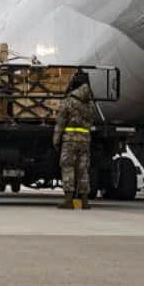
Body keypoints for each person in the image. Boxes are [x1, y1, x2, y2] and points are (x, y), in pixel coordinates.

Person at [53, 70, 95, 209]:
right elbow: (91, 121)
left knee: (68, 168)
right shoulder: (90, 104)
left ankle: (69, 200)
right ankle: (84, 201)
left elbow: (60, 123)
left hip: (69, 140)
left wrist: (56, 140)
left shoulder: (68, 102)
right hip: (85, 140)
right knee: (83, 169)